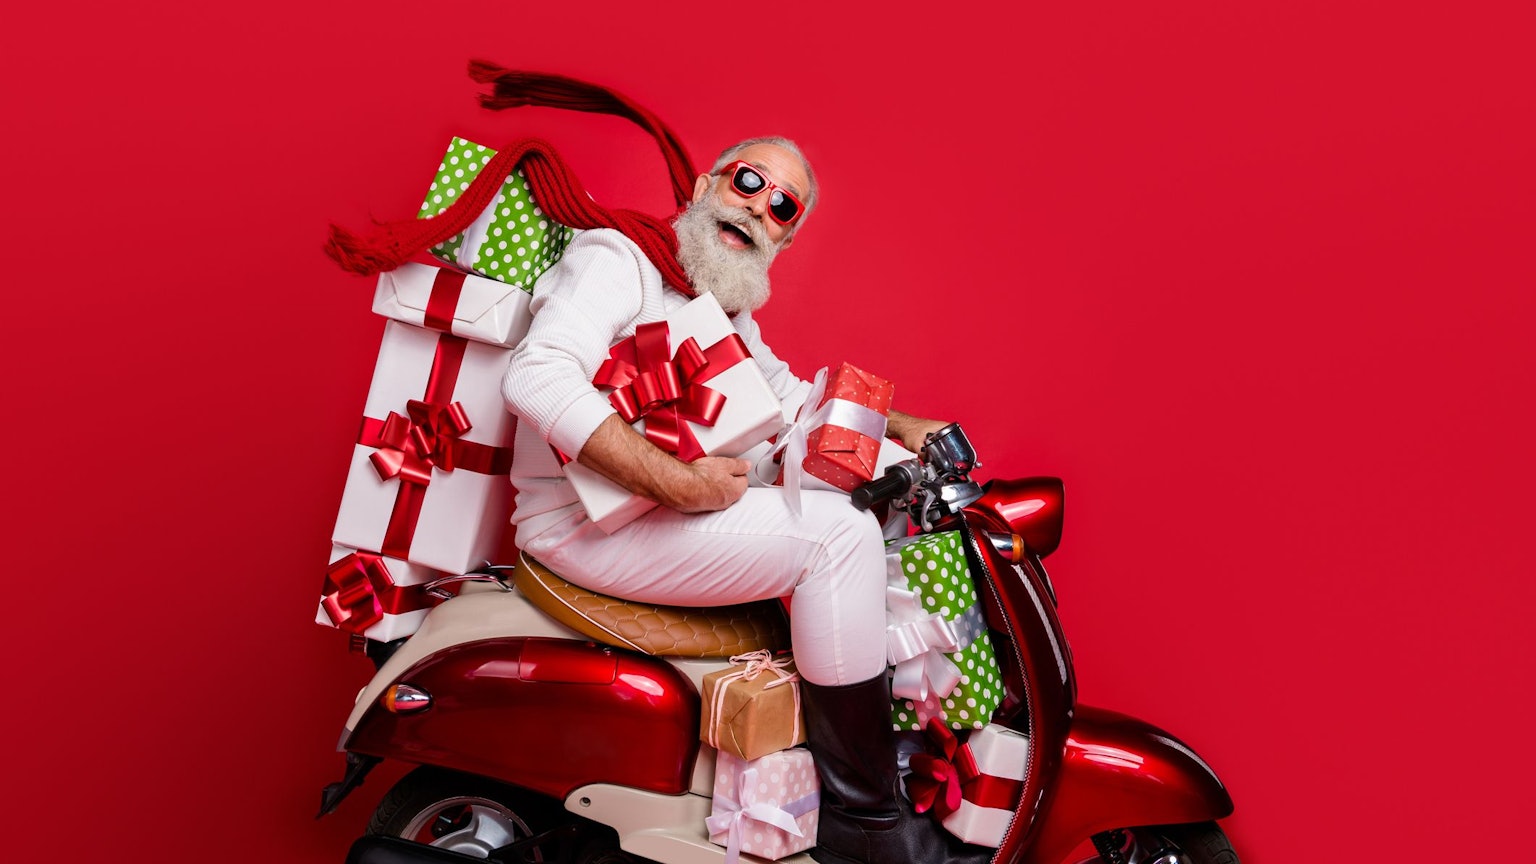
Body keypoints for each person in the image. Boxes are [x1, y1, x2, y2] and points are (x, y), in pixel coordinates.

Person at [502, 138, 987, 864]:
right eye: (748, 181)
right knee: (834, 540)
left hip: (654, 518)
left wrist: (906, 429)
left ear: (785, 236)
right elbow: (537, 376)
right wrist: (675, 480)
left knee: (865, 516)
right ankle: (867, 823)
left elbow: (790, 405)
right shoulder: (620, 258)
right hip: (579, 525)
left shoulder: (718, 305)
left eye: (781, 205)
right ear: (705, 185)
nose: (759, 205)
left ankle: (880, 788)